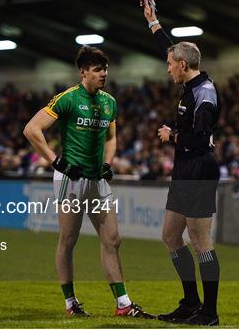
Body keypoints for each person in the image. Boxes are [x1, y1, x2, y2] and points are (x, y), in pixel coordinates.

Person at [23, 46, 154, 319]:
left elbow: (111, 138)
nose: (103, 74)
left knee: (113, 239)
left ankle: (123, 303)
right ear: (83, 73)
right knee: (68, 240)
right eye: (97, 70)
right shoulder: (68, 99)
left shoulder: (110, 102)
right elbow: (31, 129)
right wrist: (54, 160)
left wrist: (108, 163)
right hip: (71, 179)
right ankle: (71, 302)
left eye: (105, 69)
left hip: (97, 180)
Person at [140, 0, 221, 326]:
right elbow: (172, 49)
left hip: (200, 168)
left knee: (200, 241)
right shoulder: (191, 82)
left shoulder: (205, 94)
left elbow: (202, 140)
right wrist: (152, 21)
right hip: (185, 168)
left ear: (183, 66)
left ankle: (210, 313)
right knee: (171, 236)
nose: (168, 67)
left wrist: (171, 135)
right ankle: (190, 303)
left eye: (171, 64)